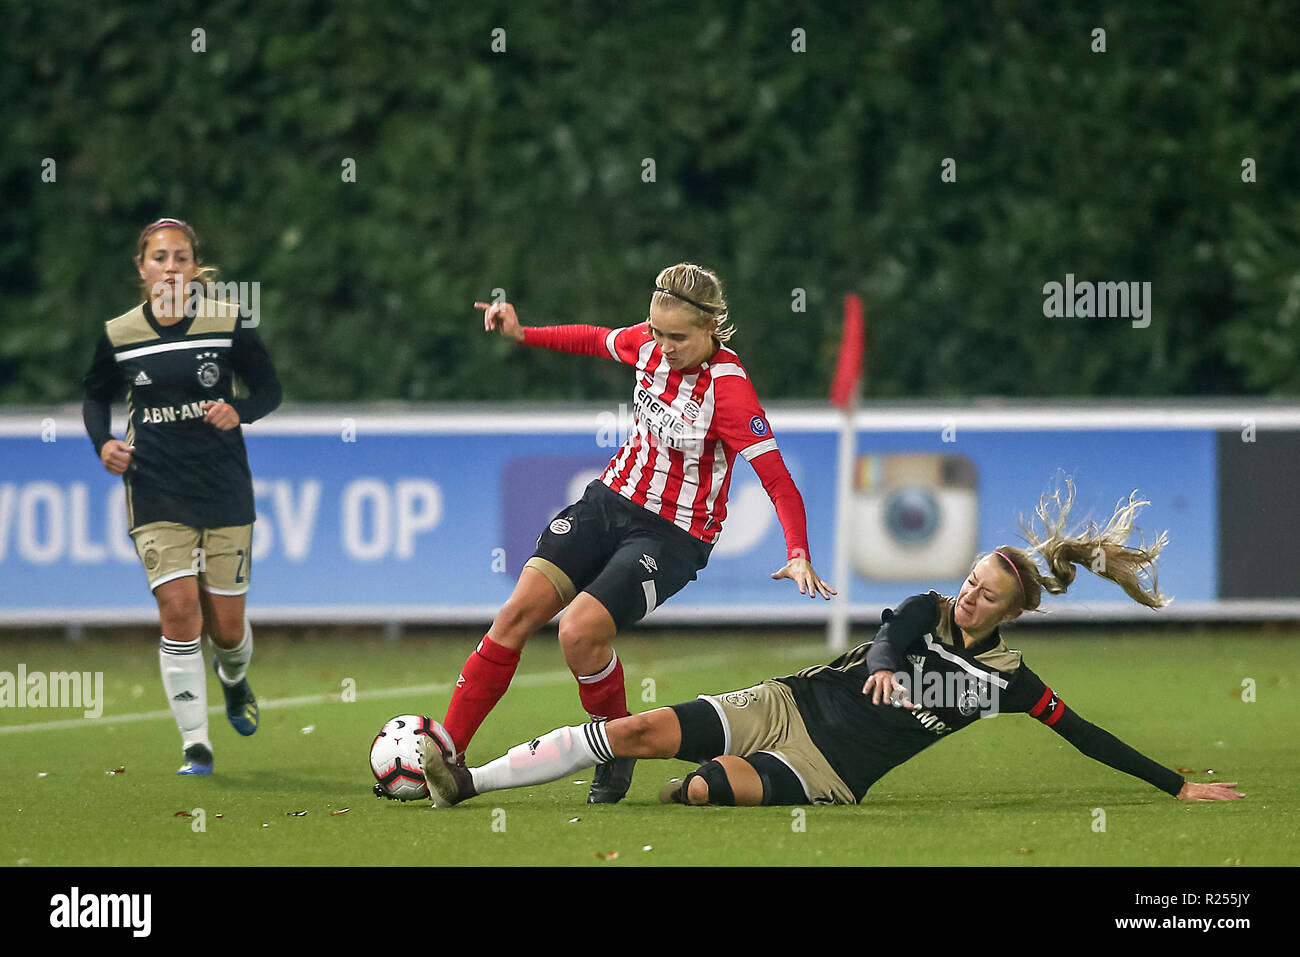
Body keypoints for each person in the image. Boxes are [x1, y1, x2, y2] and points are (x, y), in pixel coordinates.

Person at [420, 484, 1244, 808]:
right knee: (635, 731)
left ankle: (681, 795)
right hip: (787, 701)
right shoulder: (928, 607)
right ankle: (469, 780)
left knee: (699, 796)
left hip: (830, 770)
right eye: (969, 581)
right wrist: (884, 668)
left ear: (1013, 612)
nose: (969, 593)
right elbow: (892, 636)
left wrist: (1175, 787)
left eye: (986, 593)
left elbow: (1083, 732)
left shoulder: (1009, 681)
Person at [444, 263, 835, 803]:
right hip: (610, 501)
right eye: (656, 331)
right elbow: (593, 339)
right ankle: (447, 756)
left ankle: (615, 746)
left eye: (678, 337)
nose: (664, 346)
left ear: (710, 329)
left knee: (578, 634)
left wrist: (797, 551)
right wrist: (521, 332)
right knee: (514, 615)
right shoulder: (646, 345)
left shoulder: (730, 390)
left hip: (674, 534)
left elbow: (777, 478)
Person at [82, 218, 282, 775]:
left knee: (227, 630)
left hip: (223, 489)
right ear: (141, 268)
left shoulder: (227, 323)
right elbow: (96, 398)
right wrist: (104, 444)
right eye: (159, 258)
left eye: (181, 258)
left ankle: (234, 678)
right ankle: (196, 744)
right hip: (155, 488)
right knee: (178, 612)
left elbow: (270, 388)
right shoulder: (120, 334)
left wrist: (239, 409)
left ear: (196, 268)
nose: (171, 267)